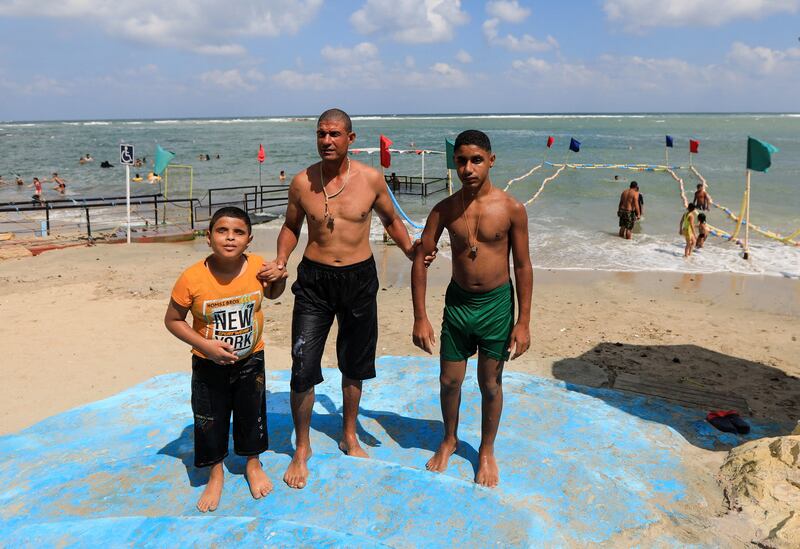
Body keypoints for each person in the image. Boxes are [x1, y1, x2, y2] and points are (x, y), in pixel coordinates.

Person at [257, 108, 427, 490]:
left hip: (359, 279)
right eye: (321, 134)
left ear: (350, 138)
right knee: (303, 364)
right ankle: (301, 447)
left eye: (334, 134)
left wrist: (410, 250)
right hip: (314, 281)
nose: (327, 140)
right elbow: (290, 226)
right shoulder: (303, 182)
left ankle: (349, 435)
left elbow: (391, 221)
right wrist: (282, 259)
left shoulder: (370, 179)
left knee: (355, 363)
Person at [411, 130, 532, 488]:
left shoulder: (512, 209)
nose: (468, 167)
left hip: (496, 305)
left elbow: (523, 266)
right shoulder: (445, 209)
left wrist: (523, 322)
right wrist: (420, 316)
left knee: (490, 383)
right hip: (459, 304)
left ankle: (486, 450)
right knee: (449, 381)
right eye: (461, 160)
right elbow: (421, 258)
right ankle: (449, 439)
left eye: (476, 159)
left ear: (491, 160)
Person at [164, 207, 286, 513]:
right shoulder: (192, 278)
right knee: (210, 419)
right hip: (208, 364)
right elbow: (173, 320)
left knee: (252, 413)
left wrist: (281, 276)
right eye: (222, 231)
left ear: (249, 239)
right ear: (208, 237)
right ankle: (216, 473)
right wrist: (205, 345)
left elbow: (272, 294)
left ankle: (252, 464)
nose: (230, 238)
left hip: (251, 358)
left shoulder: (258, 267)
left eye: (238, 232)